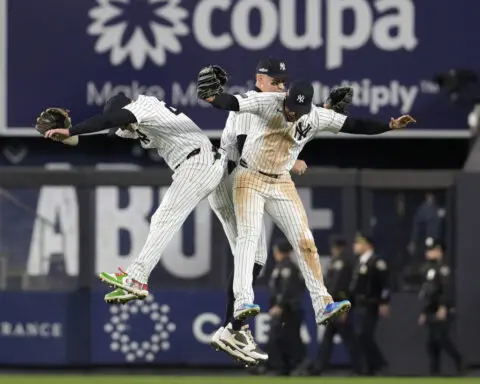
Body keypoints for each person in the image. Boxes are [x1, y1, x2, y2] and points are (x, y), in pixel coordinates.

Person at [197, 67, 415, 332]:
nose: (291, 113)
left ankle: (323, 303)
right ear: (286, 98)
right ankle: (243, 302)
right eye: (290, 107)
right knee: (249, 238)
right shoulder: (270, 102)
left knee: (305, 241)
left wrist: (389, 126)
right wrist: (212, 98)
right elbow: (233, 102)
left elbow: (354, 125)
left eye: (297, 111)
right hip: (249, 177)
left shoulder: (315, 116)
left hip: (280, 182)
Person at [43, 93, 226, 302]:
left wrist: (71, 130)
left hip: (199, 163)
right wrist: (71, 137)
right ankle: (239, 309)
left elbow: (109, 120)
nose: (125, 129)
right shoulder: (137, 121)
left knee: (163, 219)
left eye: (124, 122)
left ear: (126, 110)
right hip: (206, 163)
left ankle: (137, 277)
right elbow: (108, 129)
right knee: (241, 233)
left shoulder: (144, 107)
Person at [208, 58, 307, 365]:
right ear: (259, 80)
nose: (280, 87)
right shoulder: (252, 103)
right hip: (230, 178)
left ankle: (233, 326)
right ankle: (232, 327)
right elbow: (243, 144)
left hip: (233, 179)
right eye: (275, 81)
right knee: (253, 257)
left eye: (283, 82)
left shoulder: (270, 106)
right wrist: (289, 162)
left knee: (252, 257)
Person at [313, 236, 362, 375]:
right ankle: (319, 367)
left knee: (349, 338)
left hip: (339, 305)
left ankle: (360, 368)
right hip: (334, 306)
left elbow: (341, 286)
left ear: (337, 247)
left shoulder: (343, 261)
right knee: (329, 338)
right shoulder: (339, 260)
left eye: (334, 247)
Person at [418, 241, 463, 375]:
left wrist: (443, 306)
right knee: (432, 343)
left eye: (431, 250)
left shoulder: (443, 268)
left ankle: (458, 359)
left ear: (439, 251)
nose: (428, 252)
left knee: (440, 338)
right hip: (432, 308)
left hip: (443, 308)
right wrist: (424, 311)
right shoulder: (429, 269)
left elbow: (446, 289)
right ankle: (434, 372)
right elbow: (429, 293)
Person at [350, 233, 390, 375]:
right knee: (360, 335)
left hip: (371, 303)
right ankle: (369, 368)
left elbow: (385, 284)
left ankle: (379, 362)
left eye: (358, 243)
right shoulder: (360, 262)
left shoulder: (376, 262)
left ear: (367, 245)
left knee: (364, 334)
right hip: (359, 304)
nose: (355, 246)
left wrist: (384, 302)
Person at [264, 240, 306, 375]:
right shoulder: (281, 266)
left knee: (289, 338)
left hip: (289, 310)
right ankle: (284, 367)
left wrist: (280, 305)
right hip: (285, 308)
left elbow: (288, 289)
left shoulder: (288, 267)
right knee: (282, 338)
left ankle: (297, 365)